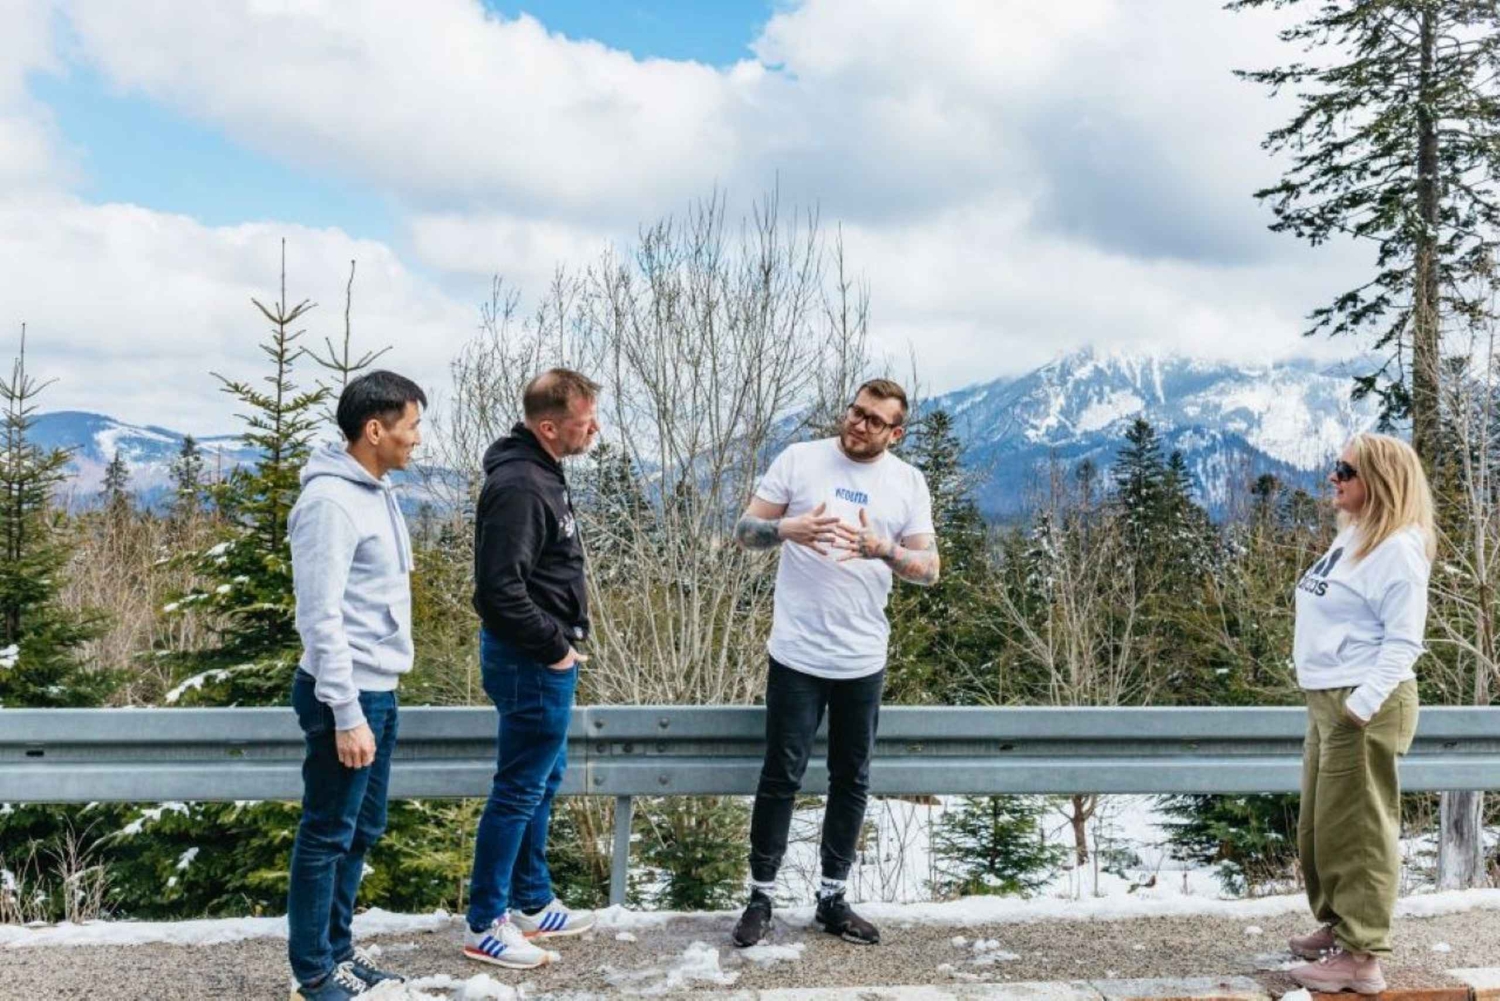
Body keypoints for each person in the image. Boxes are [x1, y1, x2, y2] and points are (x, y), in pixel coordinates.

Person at [729, 379, 940, 948]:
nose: (859, 424)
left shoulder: (907, 482)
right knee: (781, 775)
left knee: (852, 778)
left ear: (896, 433)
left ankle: (832, 898)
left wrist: (885, 550)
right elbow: (744, 532)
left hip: (862, 658)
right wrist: (785, 529)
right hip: (796, 653)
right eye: (856, 411)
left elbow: (930, 569)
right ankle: (760, 897)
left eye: (875, 420)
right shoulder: (800, 459)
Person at [286, 371, 427, 1001]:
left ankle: (338, 952)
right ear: (375, 430)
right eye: (412, 425)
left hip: (378, 688)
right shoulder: (329, 504)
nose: (417, 438)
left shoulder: (375, 492)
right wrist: (346, 712)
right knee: (326, 834)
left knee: (361, 829)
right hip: (344, 693)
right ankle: (314, 972)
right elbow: (319, 618)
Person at [463, 368, 601, 970]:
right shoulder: (520, 484)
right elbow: (498, 591)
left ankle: (531, 901)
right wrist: (555, 648)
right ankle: (485, 924)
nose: (595, 430)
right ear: (548, 427)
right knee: (519, 789)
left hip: (541, 658)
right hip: (530, 661)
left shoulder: (542, 471)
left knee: (541, 780)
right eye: (584, 421)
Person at [1287, 432, 1434, 995]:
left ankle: (1362, 956)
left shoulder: (1398, 548)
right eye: (1336, 467)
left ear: (1380, 480)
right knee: (1321, 827)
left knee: (1360, 830)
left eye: (1346, 470)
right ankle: (1339, 927)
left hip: (1364, 702)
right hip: (1330, 697)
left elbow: (1404, 641)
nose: (1334, 477)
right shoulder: (1355, 535)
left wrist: (1360, 705)